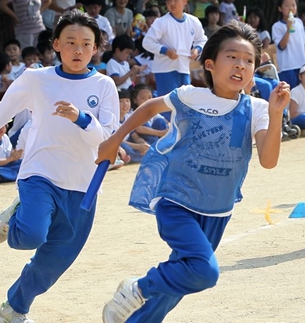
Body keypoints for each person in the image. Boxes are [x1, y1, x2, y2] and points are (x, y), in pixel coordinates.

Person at [97, 21, 290, 323]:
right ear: (210, 64)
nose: (241, 65)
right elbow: (148, 109)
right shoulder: (190, 95)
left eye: (249, 60)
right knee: (204, 271)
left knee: (178, 283)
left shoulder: (257, 108)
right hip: (177, 202)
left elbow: (268, 160)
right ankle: (137, 287)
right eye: (232, 57)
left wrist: (277, 114)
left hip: (217, 211)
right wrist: (113, 139)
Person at [0, 10, 119, 323]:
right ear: (56, 44)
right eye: (70, 42)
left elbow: (107, 137)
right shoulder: (36, 79)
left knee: (53, 263)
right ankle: (16, 217)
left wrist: (81, 118)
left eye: (86, 44)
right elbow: (2, 111)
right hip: (40, 174)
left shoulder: (104, 86)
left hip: (83, 187)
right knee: (32, 235)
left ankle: (14, 309)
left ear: (95, 48)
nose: (78, 49)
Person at [142, 0, 207, 105]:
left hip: (184, 67)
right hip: (165, 69)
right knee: (169, 105)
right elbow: (147, 42)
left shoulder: (194, 21)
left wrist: (197, 50)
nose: (172, 3)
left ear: (185, 1)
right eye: (169, 0)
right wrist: (165, 50)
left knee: (185, 103)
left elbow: (202, 40)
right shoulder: (161, 22)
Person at [272, 0, 305, 88]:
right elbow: (281, 46)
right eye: (287, 5)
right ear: (280, 8)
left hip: (301, 64)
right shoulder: (277, 26)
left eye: (293, 5)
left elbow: (304, 44)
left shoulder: (299, 22)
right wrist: (288, 29)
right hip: (287, 66)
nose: (291, 8)